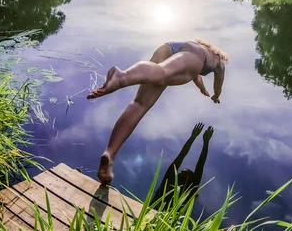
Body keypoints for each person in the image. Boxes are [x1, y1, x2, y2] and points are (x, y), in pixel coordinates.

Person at [87, 39, 228, 185]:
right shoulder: (218, 61)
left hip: (168, 48)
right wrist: (216, 96)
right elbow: (218, 83)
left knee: (140, 103)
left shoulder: (198, 49)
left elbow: (194, 73)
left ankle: (110, 153)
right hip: (193, 57)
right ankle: (122, 76)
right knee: (162, 73)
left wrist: (202, 89)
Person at [154, 123, 213, 207]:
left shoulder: (188, 192)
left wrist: (200, 139)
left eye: (184, 173)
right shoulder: (168, 183)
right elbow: (182, 157)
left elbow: (199, 164)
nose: (180, 173)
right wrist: (196, 138)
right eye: (182, 172)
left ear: (189, 179)